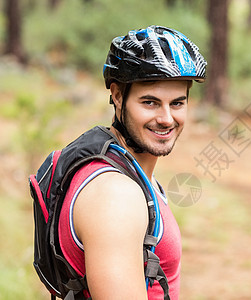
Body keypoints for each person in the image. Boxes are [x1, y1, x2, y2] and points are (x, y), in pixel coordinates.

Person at [57, 25, 207, 299]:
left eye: (177, 103)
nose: (166, 118)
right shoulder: (116, 196)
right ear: (117, 96)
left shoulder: (130, 175)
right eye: (150, 102)